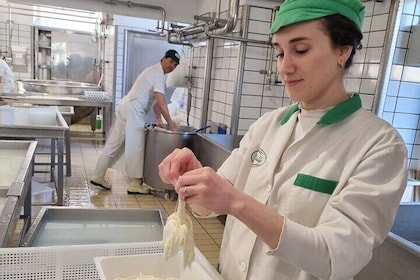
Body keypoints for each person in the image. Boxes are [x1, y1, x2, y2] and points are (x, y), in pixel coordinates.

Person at [158, 1, 409, 279]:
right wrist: (195, 181)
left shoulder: (380, 146)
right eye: (279, 53)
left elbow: (335, 257)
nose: (285, 67)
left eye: (300, 50)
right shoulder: (269, 125)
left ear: (343, 50)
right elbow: (208, 206)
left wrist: (236, 203)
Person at [91, 49, 180, 194]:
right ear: (163, 58)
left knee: (115, 142)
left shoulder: (155, 72)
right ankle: (134, 184)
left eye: (175, 65)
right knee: (137, 146)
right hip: (133, 109)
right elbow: (161, 102)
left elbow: (157, 104)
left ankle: (98, 175)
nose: (172, 66)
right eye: (170, 61)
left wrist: (159, 120)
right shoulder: (157, 73)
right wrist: (171, 124)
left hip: (126, 105)